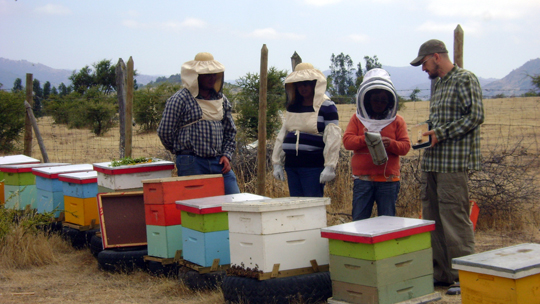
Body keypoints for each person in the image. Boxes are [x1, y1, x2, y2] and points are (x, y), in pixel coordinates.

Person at [410, 39, 484, 294]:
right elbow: (439, 120)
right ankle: (442, 274)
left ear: (436, 57)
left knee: (454, 219)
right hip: (432, 162)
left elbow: (475, 115)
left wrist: (440, 133)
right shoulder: (439, 85)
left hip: (453, 162)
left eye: (424, 63)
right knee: (432, 218)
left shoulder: (465, 79)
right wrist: (423, 133)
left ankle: (466, 276)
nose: (423, 68)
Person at [158, 52, 240, 194]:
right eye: (207, 74)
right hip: (191, 162)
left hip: (218, 161)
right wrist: (181, 151)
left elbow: (230, 131)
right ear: (196, 76)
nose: (212, 78)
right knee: (196, 207)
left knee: (235, 199)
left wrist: (226, 154)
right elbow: (165, 131)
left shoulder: (222, 100)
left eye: (214, 74)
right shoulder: (180, 99)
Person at [342, 68, 410, 221]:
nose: (379, 103)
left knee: (387, 223)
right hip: (363, 179)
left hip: (388, 180)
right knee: (359, 221)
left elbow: (405, 147)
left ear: (390, 101)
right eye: (375, 100)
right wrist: (365, 139)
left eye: (383, 100)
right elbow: (347, 142)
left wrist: (390, 144)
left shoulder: (397, 120)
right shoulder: (357, 119)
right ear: (367, 99)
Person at [272, 62, 341, 197]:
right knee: (297, 207)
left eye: (306, 83)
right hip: (291, 166)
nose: (303, 87)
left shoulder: (327, 106)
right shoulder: (293, 106)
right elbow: (283, 134)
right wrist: (277, 163)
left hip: (313, 167)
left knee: (312, 207)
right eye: (299, 84)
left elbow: (333, 137)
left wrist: (329, 166)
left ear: (314, 83)